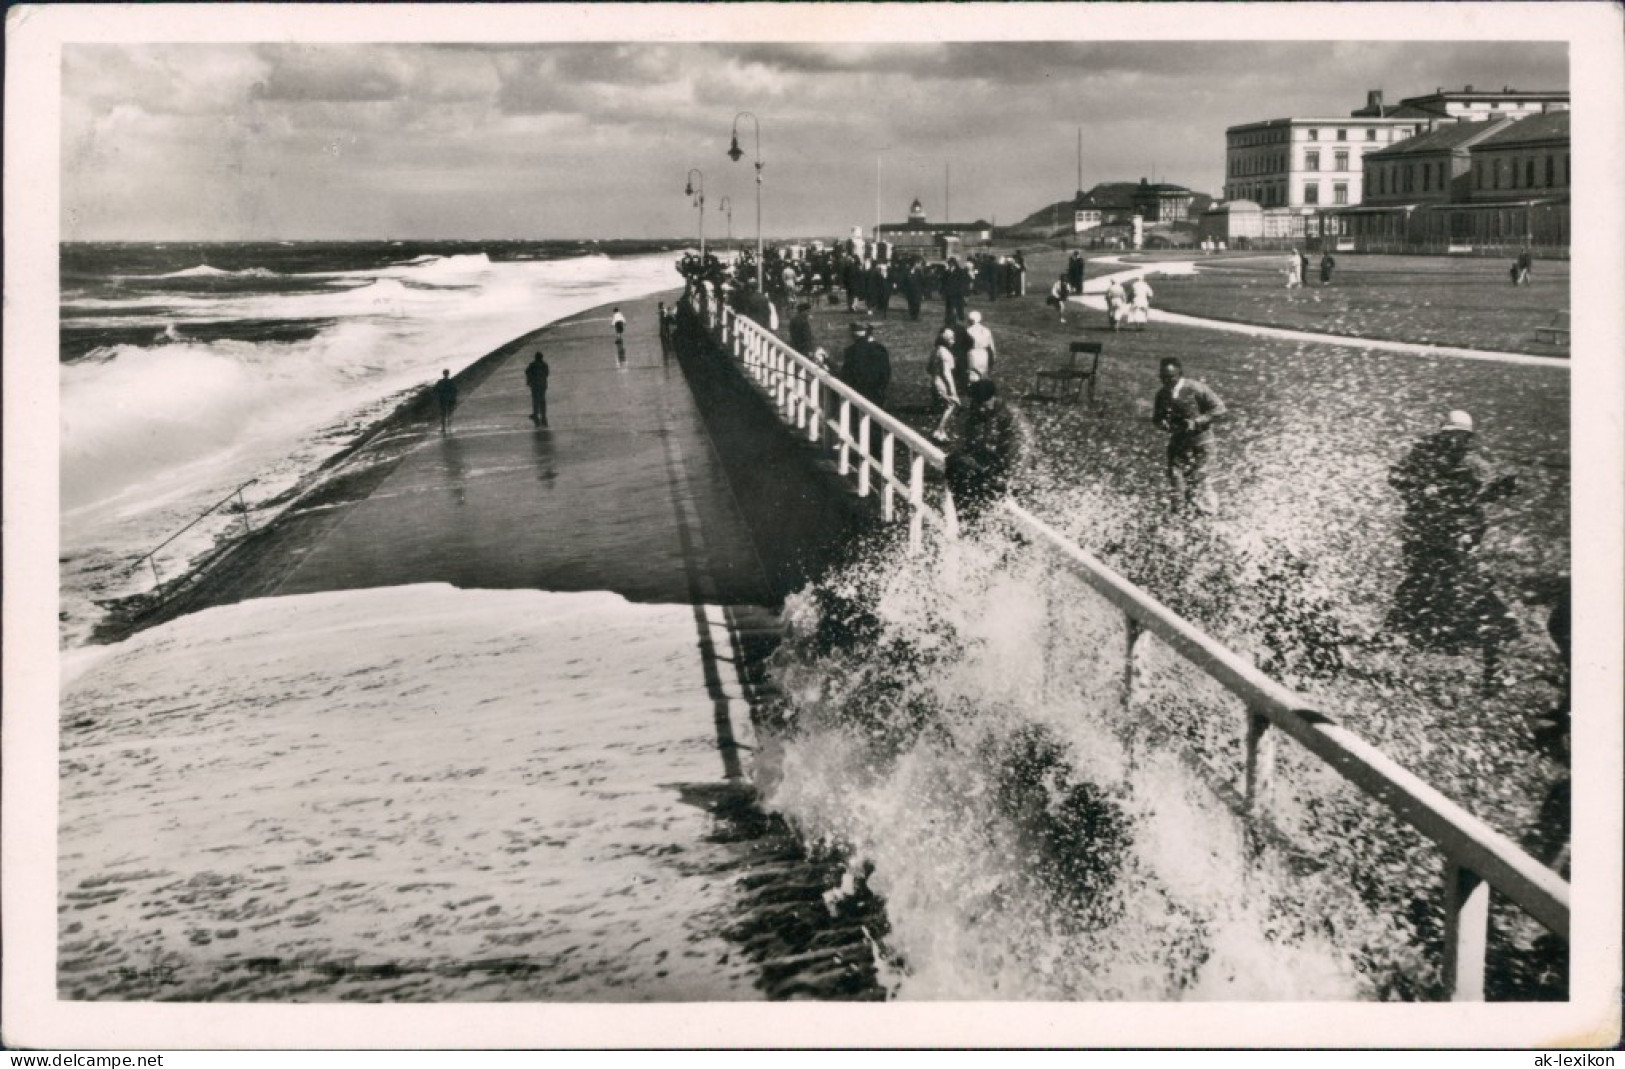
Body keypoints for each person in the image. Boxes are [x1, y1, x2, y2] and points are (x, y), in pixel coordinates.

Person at [1386, 409, 1520, 692]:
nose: (1455, 442)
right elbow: (1398, 477)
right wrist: (1422, 488)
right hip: (1429, 541)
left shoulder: (1471, 467)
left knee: (1472, 600)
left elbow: (1472, 504)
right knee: (1429, 595)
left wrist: (1485, 500)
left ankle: (1491, 670)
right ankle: (1401, 654)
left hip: (1452, 543)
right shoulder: (1424, 455)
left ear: (1468, 438)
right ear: (1442, 434)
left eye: (1461, 437)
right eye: (1450, 436)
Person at [945, 379, 1029, 525]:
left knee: (1010, 520)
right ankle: (967, 522)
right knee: (954, 463)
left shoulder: (1011, 416)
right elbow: (964, 442)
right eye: (977, 404)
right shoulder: (974, 412)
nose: (980, 409)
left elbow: (1021, 451)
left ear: (993, 398)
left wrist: (1009, 479)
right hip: (984, 468)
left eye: (983, 405)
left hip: (1007, 473)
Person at [1151, 357, 1226, 514]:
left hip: (1202, 443)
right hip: (1178, 444)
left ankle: (1208, 514)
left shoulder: (1197, 388)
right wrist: (1162, 423)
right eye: (1162, 377)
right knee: (1176, 478)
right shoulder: (1162, 394)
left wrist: (1198, 421)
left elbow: (1219, 409)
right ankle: (1179, 514)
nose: (1166, 381)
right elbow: (1157, 417)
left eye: (1170, 377)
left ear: (1179, 375)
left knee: (1199, 479)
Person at [838, 321, 891, 410]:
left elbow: (845, 375)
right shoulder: (881, 349)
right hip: (876, 393)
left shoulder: (851, 351)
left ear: (853, 335)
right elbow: (886, 374)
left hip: (856, 395)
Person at [929, 327, 960, 442]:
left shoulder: (935, 351)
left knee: (940, 407)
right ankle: (939, 430)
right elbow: (947, 374)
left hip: (934, 381)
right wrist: (953, 391)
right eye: (951, 339)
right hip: (942, 383)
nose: (953, 341)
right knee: (950, 405)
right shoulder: (946, 355)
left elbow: (928, 368)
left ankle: (941, 431)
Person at [965, 310, 997, 384]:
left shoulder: (969, 330)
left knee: (973, 373)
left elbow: (965, 345)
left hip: (973, 353)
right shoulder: (986, 330)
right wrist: (994, 356)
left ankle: (973, 389)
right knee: (983, 372)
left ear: (971, 320)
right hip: (983, 353)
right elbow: (991, 345)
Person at [524, 351, 550, 426]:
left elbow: (527, 372)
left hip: (535, 384)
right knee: (542, 399)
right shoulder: (544, 364)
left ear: (535, 357)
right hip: (542, 384)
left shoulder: (532, 365)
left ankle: (536, 414)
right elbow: (547, 373)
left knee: (535, 399)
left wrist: (529, 381)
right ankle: (543, 415)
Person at [432, 369, 458, 433]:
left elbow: (434, 390)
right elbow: (455, 390)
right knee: (449, 413)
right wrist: (453, 398)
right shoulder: (451, 381)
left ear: (443, 374)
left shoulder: (440, 382)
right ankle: (449, 427)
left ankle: (443, 428)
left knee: (443, 414)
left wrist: (437, 397)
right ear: (448, 374)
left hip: (442, 399)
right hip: (450, 399)